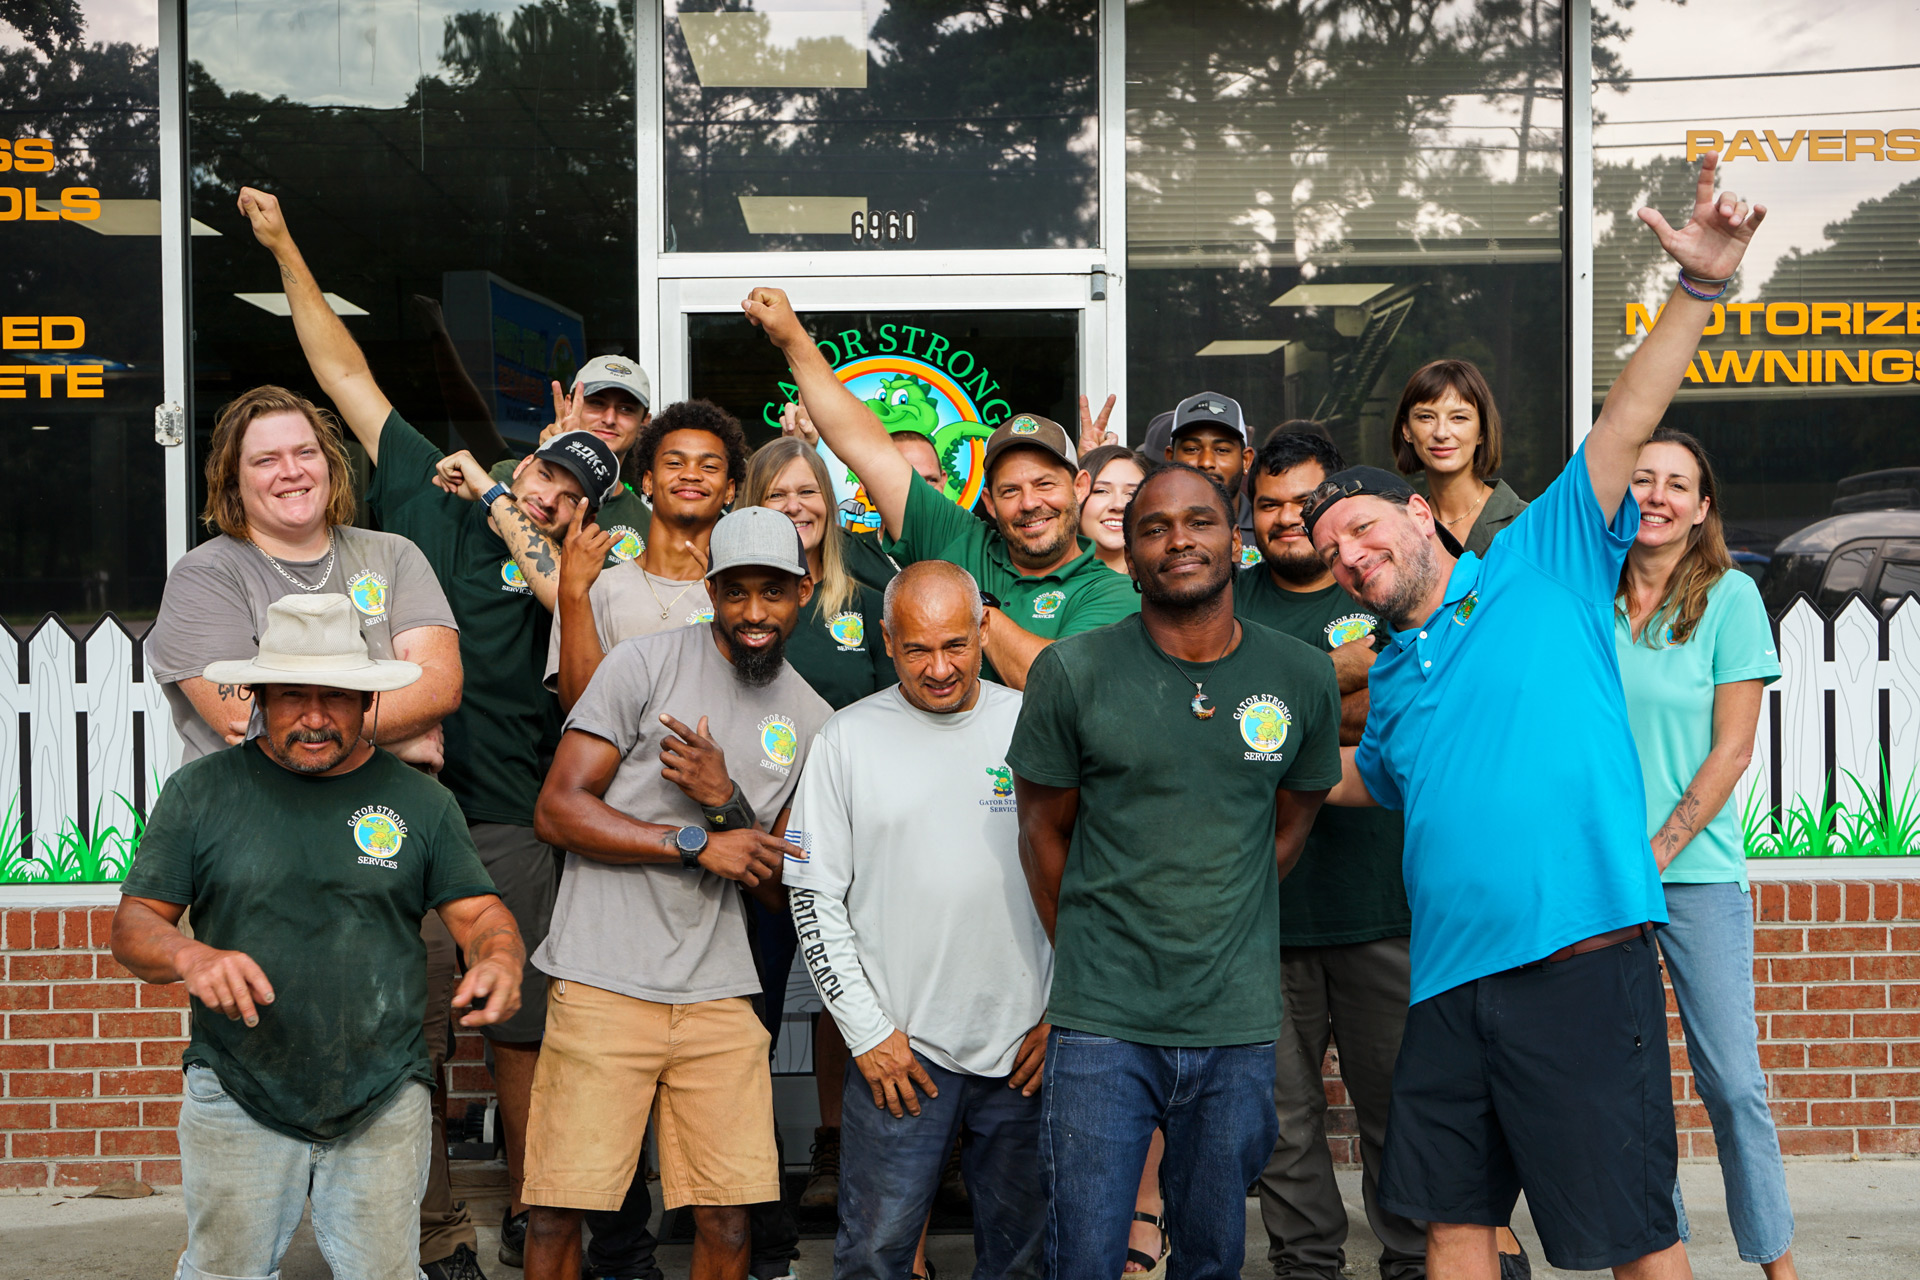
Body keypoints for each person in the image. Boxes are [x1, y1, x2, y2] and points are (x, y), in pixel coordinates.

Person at [1308, 154, 1765, 1279]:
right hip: (1449, 987)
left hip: (1578, 962)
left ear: (1419, 512)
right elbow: (1375, 781)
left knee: (1631, 1231)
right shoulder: (1398, 674)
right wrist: (1240, 748)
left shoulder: (1540, 561)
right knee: (1452, 1222)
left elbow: (1627, 416)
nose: (1354, 557)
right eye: (1333, 556)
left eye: (1366, 530)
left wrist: (1698, 290)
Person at [238, 184, 620, 1264]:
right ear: (533, 446)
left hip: (505, 813)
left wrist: (510, 512)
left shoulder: (553, 553)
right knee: (410, 1027)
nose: (549, 497)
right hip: (381, 804)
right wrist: (281, 242)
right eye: (546, 472)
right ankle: (433, 1224)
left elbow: (564, 601)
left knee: (520, 1025)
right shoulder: (422, 484)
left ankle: (543, 1217)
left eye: (569, 498)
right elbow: (341, 371)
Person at [141, 383, 489, 1278]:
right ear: (232, 478)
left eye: (304, 452)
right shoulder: (210, 573)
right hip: (255, 859)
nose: (290, 472)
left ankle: (420, 1234)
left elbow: (442, 682)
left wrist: (335, 728)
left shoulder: (391, 551)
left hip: (387, 853)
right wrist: (382, 726)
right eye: (265, 458)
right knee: (271, 1037)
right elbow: (232, 718)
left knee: (397, 1054)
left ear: (331, 464)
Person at [111, 594, 525, 1280]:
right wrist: (190, 953)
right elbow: (133, 927)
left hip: (384, 1089)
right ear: (259, 696)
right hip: (238, 1082)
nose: (313, 716)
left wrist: (501, 955)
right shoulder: (200, 794)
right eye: (292, 695)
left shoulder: (422, 802)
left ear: (367, 702)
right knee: (225, 1273)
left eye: (334, 697)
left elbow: (480, 914)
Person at [1008, 462, 1342, 1279]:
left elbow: (1290, 822)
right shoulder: (1072, 672)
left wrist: (1218, 913)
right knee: (1083, 1255)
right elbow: (1041, 832)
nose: (1179, 540)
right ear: (1128, 544)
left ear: (1237, 538)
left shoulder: (1299, 674)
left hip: (1234, 1022)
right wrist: (1093, 947)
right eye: (1154, 527)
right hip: (1102, 1024)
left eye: (1200, 521)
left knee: (1212, 1255)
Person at [522, 507, 833, 1280]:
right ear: (711, 588)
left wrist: (725, 802)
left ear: (807, 590)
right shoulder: (642, 666)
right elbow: (557, 809)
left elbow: (778, 890)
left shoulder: (815, 722)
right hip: (602, 977)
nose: (754, 613)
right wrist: (694, 841)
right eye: (736, 592)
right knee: (560, 1208)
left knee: (730, 1217)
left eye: (773, 591)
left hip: (719, 992)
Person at [786, 559, 1052, 1280]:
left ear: (985, 629)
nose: (939, 668)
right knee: (876, 1257)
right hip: (901, 1057)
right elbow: (812, 899)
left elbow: (1090, 877)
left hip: (1026, 1047)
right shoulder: (846, 740)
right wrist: (868, 1035)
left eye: (956, 645)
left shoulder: (1033, 723)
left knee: (1026, 1258)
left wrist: (1064, 1009)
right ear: (886, 640)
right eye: (916, 649)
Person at [1235, 429, 1425, 1280]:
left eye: (1305, 504)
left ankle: (1417, 1259)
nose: (1287, 519)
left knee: (1400, 1108)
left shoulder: (1385, 585)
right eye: (1269, 503)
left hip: (1381, 903)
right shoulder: (1224, 599)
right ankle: (1306, 1265)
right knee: (1282, 1123)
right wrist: (1334, 675)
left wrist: (1274, 702)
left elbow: (1396, 715)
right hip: (1266, 915)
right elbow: (1220, 718)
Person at [743, 287, 1136, 690]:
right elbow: (866, 447)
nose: (1030, 503)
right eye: (1010, 491)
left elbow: (1054, 684)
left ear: (1080, 485)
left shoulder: (1113, 592)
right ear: (988, 500)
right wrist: (792, 338)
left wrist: (969, 604)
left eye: (1045, 484)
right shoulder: (957, 538)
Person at [1615, 431, 1795, 1279]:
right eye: (1641, 478)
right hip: (1599, 886)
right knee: (1635, 1092)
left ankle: (1774, 1262)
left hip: (1696, 878)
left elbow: (1730, 751)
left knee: (1733, 1086)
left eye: (1676, 484)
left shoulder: (1730, 599)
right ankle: (1666, 1257)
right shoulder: (1589, 602)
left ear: (1703, 506)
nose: (1656, 495)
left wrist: (1658, 850)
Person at [548, 400, 750, 709]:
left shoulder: (741, 596)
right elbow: (581, 707)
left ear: (729, 490)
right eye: (674, 463)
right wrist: (573, 592)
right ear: (647, 481)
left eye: (708, 466)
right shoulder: (591, 586)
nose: (691, 475)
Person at [746, 437, 897, 710]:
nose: (793, 506)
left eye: (807, 492)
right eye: (776, 495)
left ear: (827, 502)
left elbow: (892, 720)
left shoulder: (870, 606)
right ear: (753, 508)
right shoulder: (733, 609)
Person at [489, 356, 658, 569]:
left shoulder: (646, 525)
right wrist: (553, 456)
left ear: (644, 422)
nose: (609, 418)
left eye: (626, 409)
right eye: (596, 403)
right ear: (569, 405)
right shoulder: (508, 477)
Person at [1389, 360, 1527, 557]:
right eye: (1426, 417)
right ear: (1406, 430)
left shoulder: (1526, 524)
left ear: (1482, 431)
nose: (1441, 433)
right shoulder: (1401, 531)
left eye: (1459, 418)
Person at [1077, 445, 1148, 577]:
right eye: (1101, 491)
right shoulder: (1048, 581)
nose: (1118, 505)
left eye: (1132, 494)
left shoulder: (1166, 583)